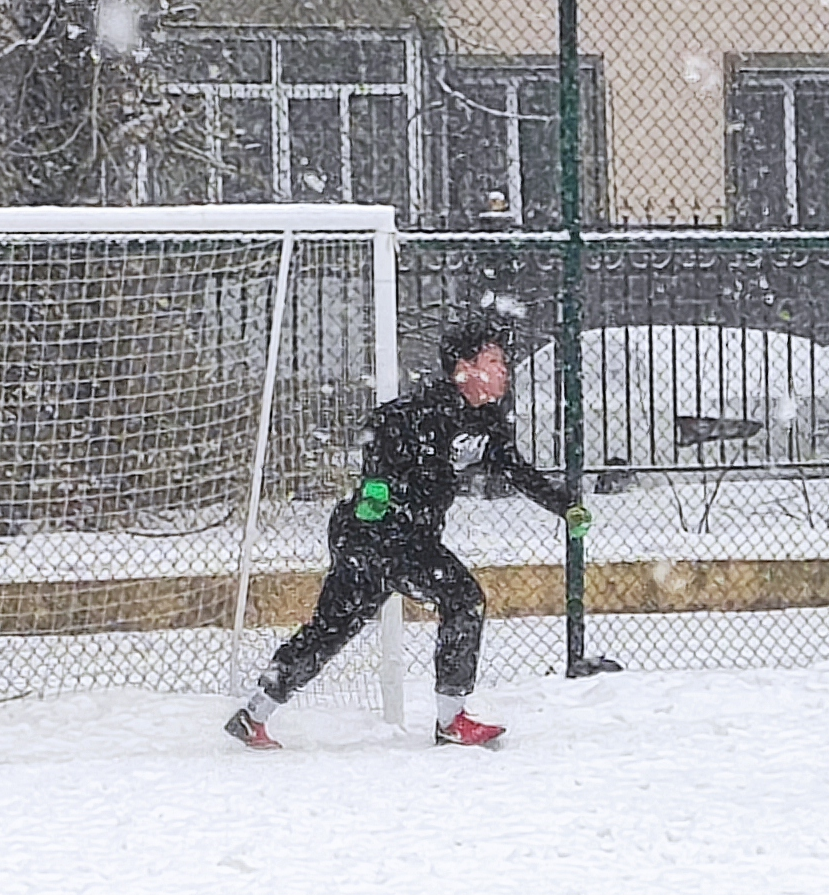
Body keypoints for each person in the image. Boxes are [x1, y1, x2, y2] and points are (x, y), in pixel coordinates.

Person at [228, 315, 585, 750]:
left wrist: (566, 507)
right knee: (463, 598)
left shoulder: (488, 424)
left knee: (332, 629)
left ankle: (255, 712)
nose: (504, 369)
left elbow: (517, 471)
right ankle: (452, 721)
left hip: (394, 541)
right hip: (378, 533)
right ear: (464, 369)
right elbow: (383, 434)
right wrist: (377, 486)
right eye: (494, 360)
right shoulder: (423, 411)